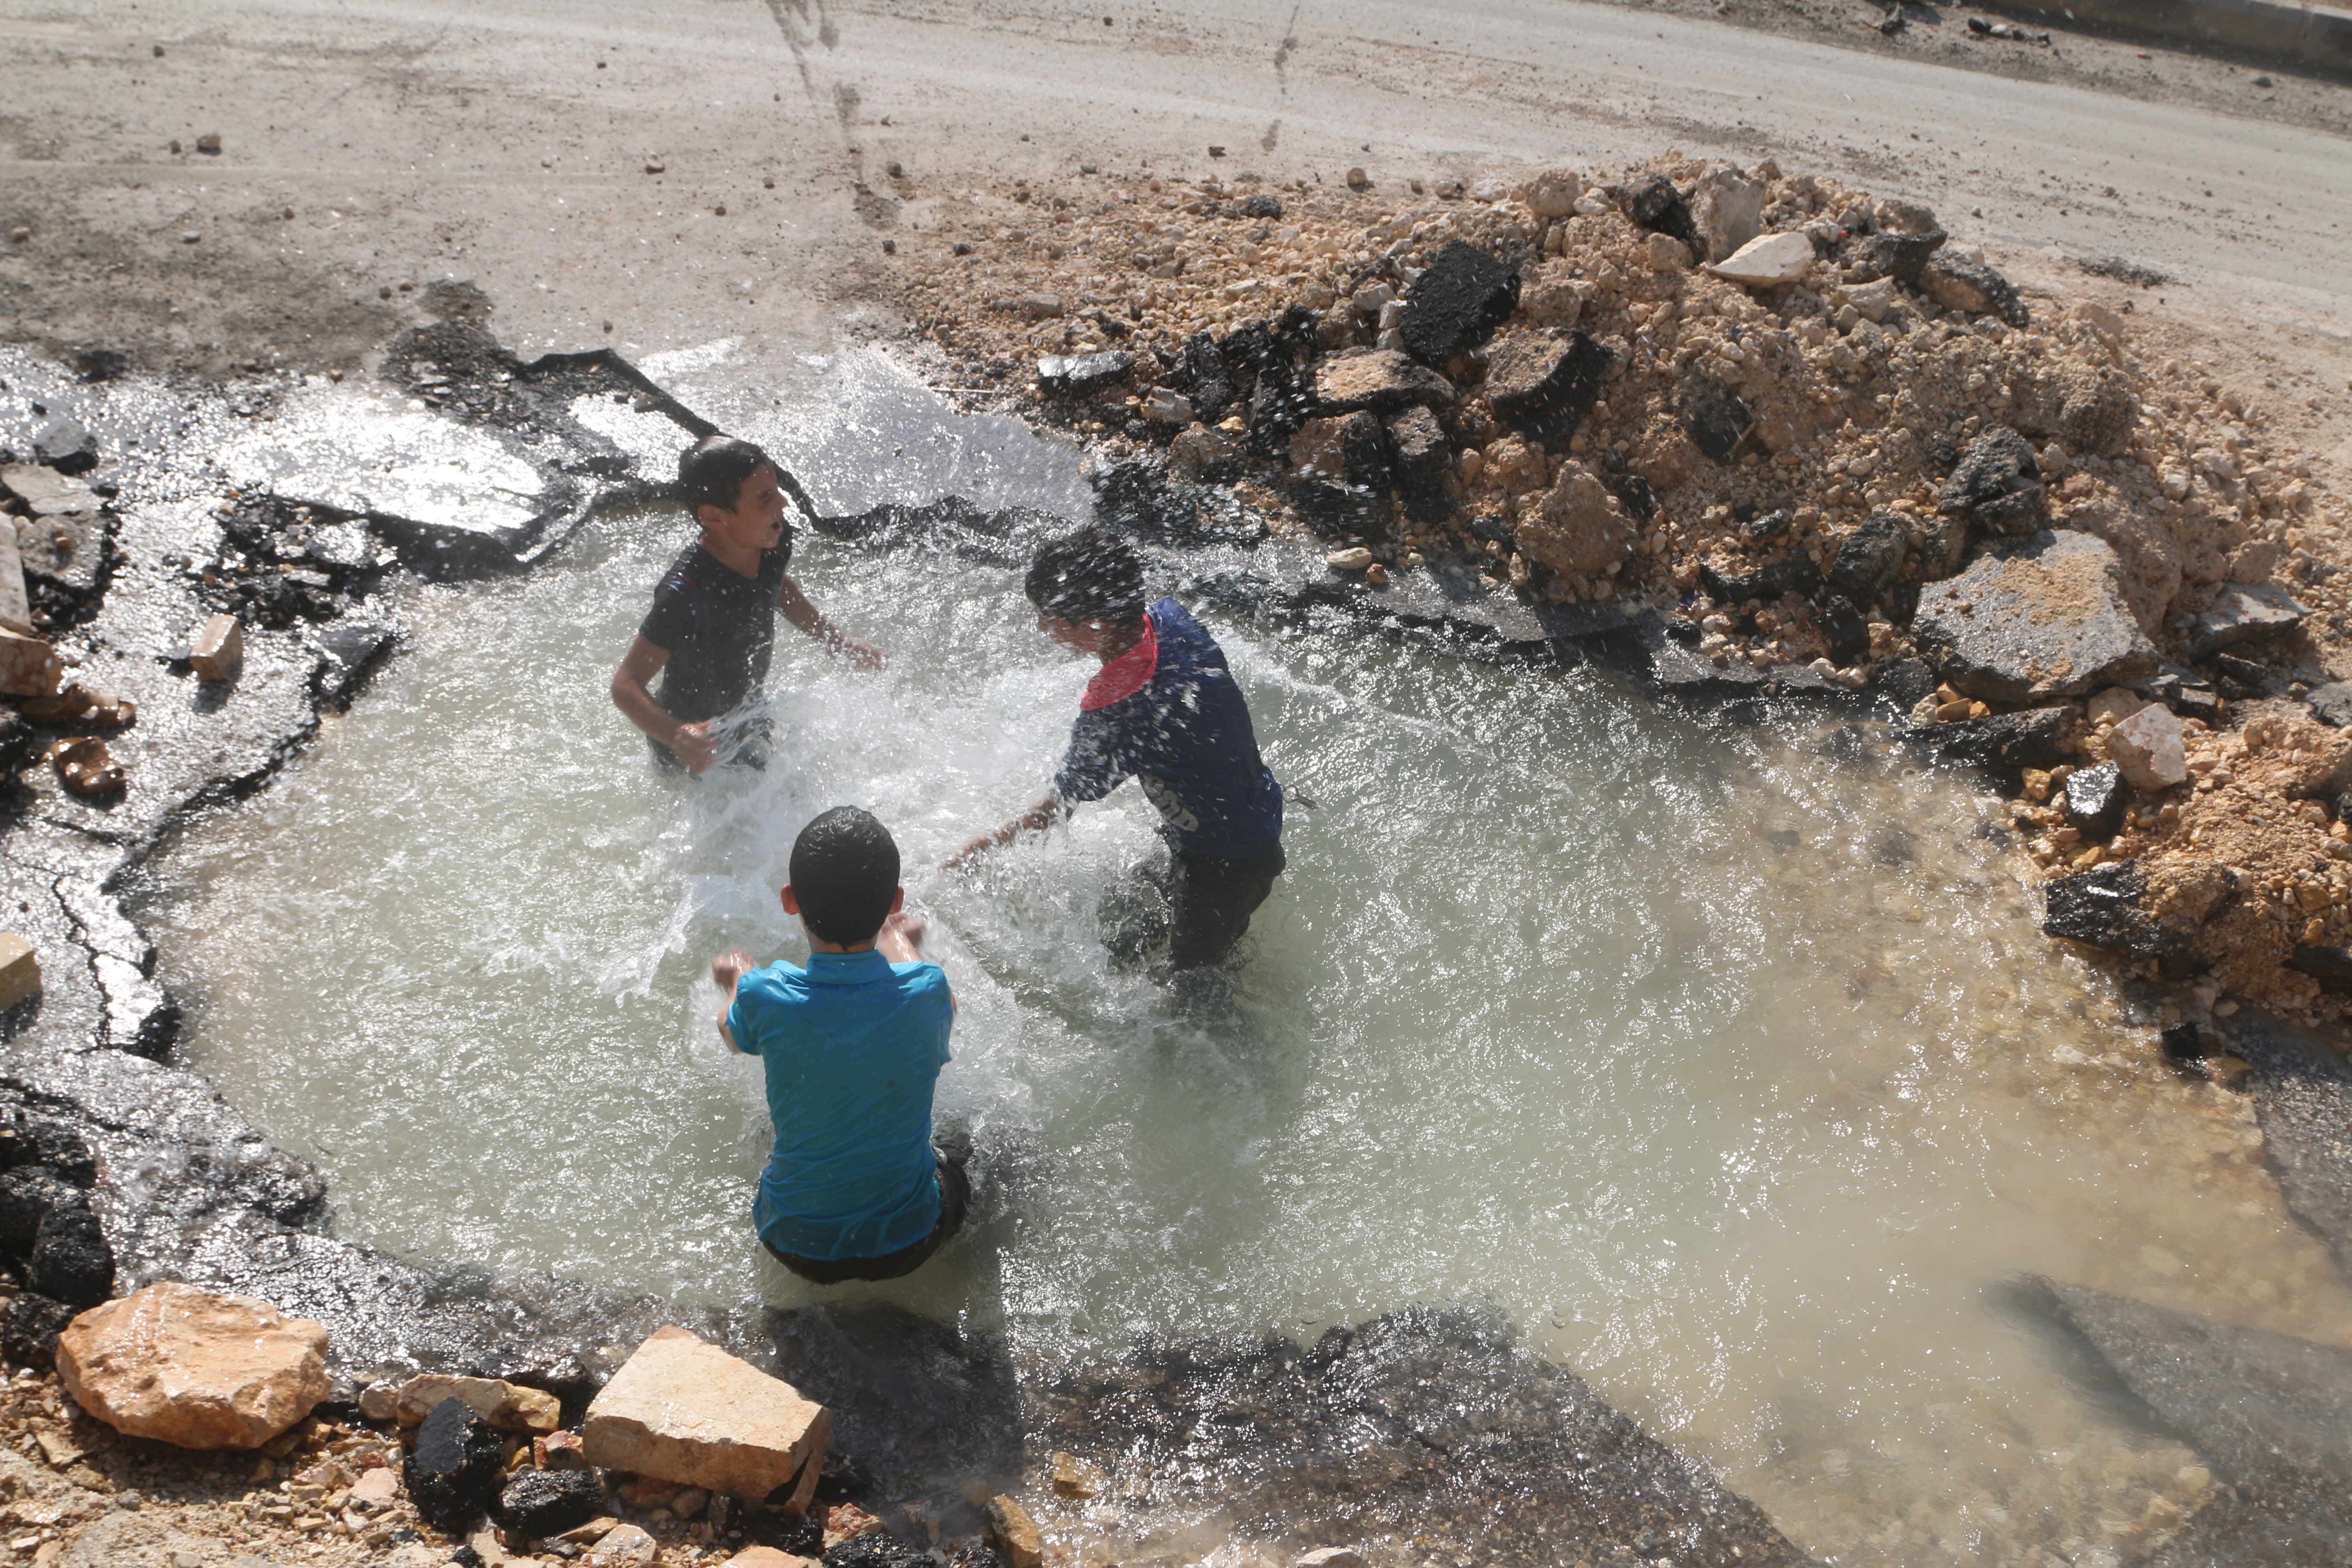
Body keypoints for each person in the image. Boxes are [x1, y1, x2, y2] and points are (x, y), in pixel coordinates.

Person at [948, 525, 1285, 971]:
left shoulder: (1120, 707)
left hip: (1230, 859)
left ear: (1096, 623)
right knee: (1120, 942)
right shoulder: (1168, 619)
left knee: (1193, 988)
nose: (1042, 628)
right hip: (1239, 809)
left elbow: (1055, 811)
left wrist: (976, 852)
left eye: (1049, 618)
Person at [712, 806, 967, 1284]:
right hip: (909, 1245)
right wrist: (901, 945)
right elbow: (947, 1003)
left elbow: (732, 1036)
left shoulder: (763, 995)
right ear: (895, 900)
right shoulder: (927, 989)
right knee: (976, 1142)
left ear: (790, 900)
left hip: (793, 1243)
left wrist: (734, 981)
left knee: (776, 1129)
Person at [611, 435, 885, 775]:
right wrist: (678, 734)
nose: (783, 503)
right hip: (693, 749)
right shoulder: (685, 593)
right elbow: (625, 685)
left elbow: (777, 588)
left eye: (777, 489)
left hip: (747, 718)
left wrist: (837, 642)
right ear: (714, 517)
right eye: (765, 498)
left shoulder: (772, 539)